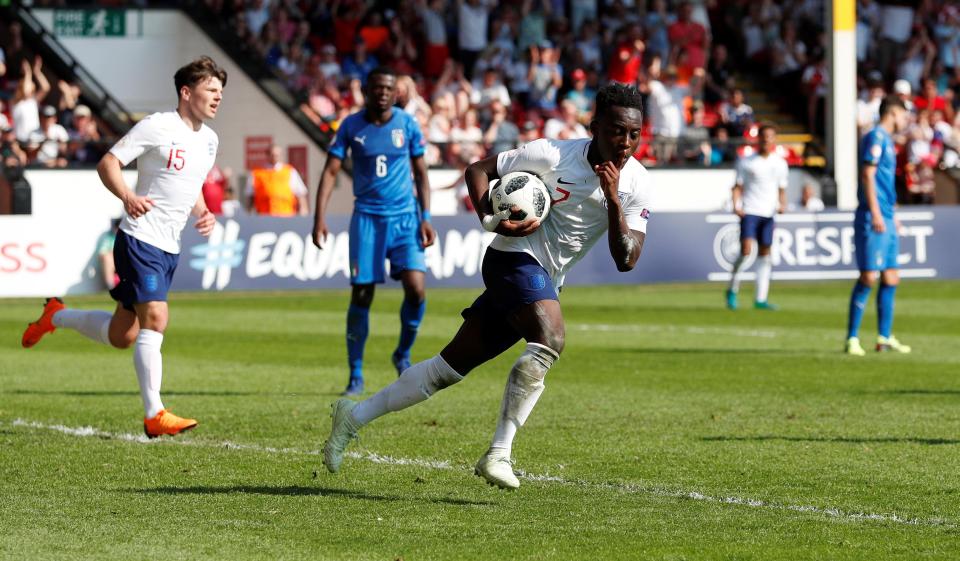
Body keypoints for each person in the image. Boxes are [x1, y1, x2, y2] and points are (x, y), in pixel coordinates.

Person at [319, 83, 652, 490]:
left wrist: (614, 200)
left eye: (634, 134)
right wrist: (490, 216)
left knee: (446, 370)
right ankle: (499, 453)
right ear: (595, 125)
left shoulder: (637, 182)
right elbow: (478, 170)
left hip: (547, 279)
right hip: (511, 258)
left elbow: (627, 259)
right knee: (550, 338)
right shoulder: (551, 153)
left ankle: (351, 417)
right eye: (617, 130)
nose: (625, 142)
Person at [20, 56, 226, 437]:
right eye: (211, 90)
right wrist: (128, 196)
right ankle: (155, 414)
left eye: (220, 92)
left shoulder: (210, 140)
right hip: (139, 238)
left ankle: (56, 315)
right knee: (157, 319)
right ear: (186, 92)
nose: (217, 98)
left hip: (169, 246)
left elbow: (191, 182)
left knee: (123, 335)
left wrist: (204, 211)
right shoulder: (158, 125)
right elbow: (108, 162)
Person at [312, 66, 436, 396]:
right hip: (367, 218)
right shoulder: (351, 125)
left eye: (388, 88)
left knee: (416, 290)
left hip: (405, 218)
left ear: (395, 93)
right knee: (362, 294)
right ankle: (355, 373)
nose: (383, 92)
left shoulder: (407, 124)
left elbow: (422, 174)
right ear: (366, 91)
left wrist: (426, 216)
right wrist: (318, 217)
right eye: (377, 87)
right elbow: (330, 172)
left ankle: (403, 353)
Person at [846, 96, 912, 356]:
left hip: (886, 215)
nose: (905, 120)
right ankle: (852, 337)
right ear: (893, 113)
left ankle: (884, 337)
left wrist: (892, 213)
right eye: (904, 115)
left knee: (891, 276)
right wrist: (875, 212)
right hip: (873, 216)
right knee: (868, 276)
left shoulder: (888, 142)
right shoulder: (876, 137)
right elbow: (867, 175)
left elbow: (885, 183)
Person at [725, 123, 788, 311]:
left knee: (765, 254)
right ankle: (732, 289)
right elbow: (737, 186)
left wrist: (782, 204)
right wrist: (736, 205)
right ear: (758, 139)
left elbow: (781, 188)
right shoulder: (747, 161)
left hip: (768, 213)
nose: (766, 140)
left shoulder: (780, 163)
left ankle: (761, 298)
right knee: (745, 251)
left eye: (770, 137)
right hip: (750, 211)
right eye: (763, 137)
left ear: (774, 140)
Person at [246, 144, 308, 216]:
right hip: (264, 217)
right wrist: (248, 216)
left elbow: (300, 194)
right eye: (272, 155)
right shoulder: (256, 173)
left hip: (286, 216)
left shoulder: (290, 171)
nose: (275, 157)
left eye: (277, 155)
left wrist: (303, 213)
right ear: (267, 155)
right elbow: (250, 197)